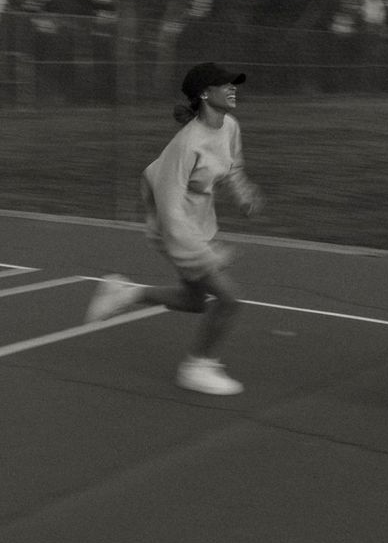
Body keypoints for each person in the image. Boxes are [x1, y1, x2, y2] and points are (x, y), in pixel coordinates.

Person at [85, 62, 264, 395]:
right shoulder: (186, 145)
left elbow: (232, 169)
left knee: (194, 301)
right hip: (172, 228)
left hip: (198, 224)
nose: (232, 88)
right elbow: (169, 214)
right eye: (224, 84)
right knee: (230, 300)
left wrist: (244, 197)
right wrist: (206, 256)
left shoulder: (230, 127)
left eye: (233, 83)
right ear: (204, 94)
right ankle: (197, 366)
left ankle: (125, 293)